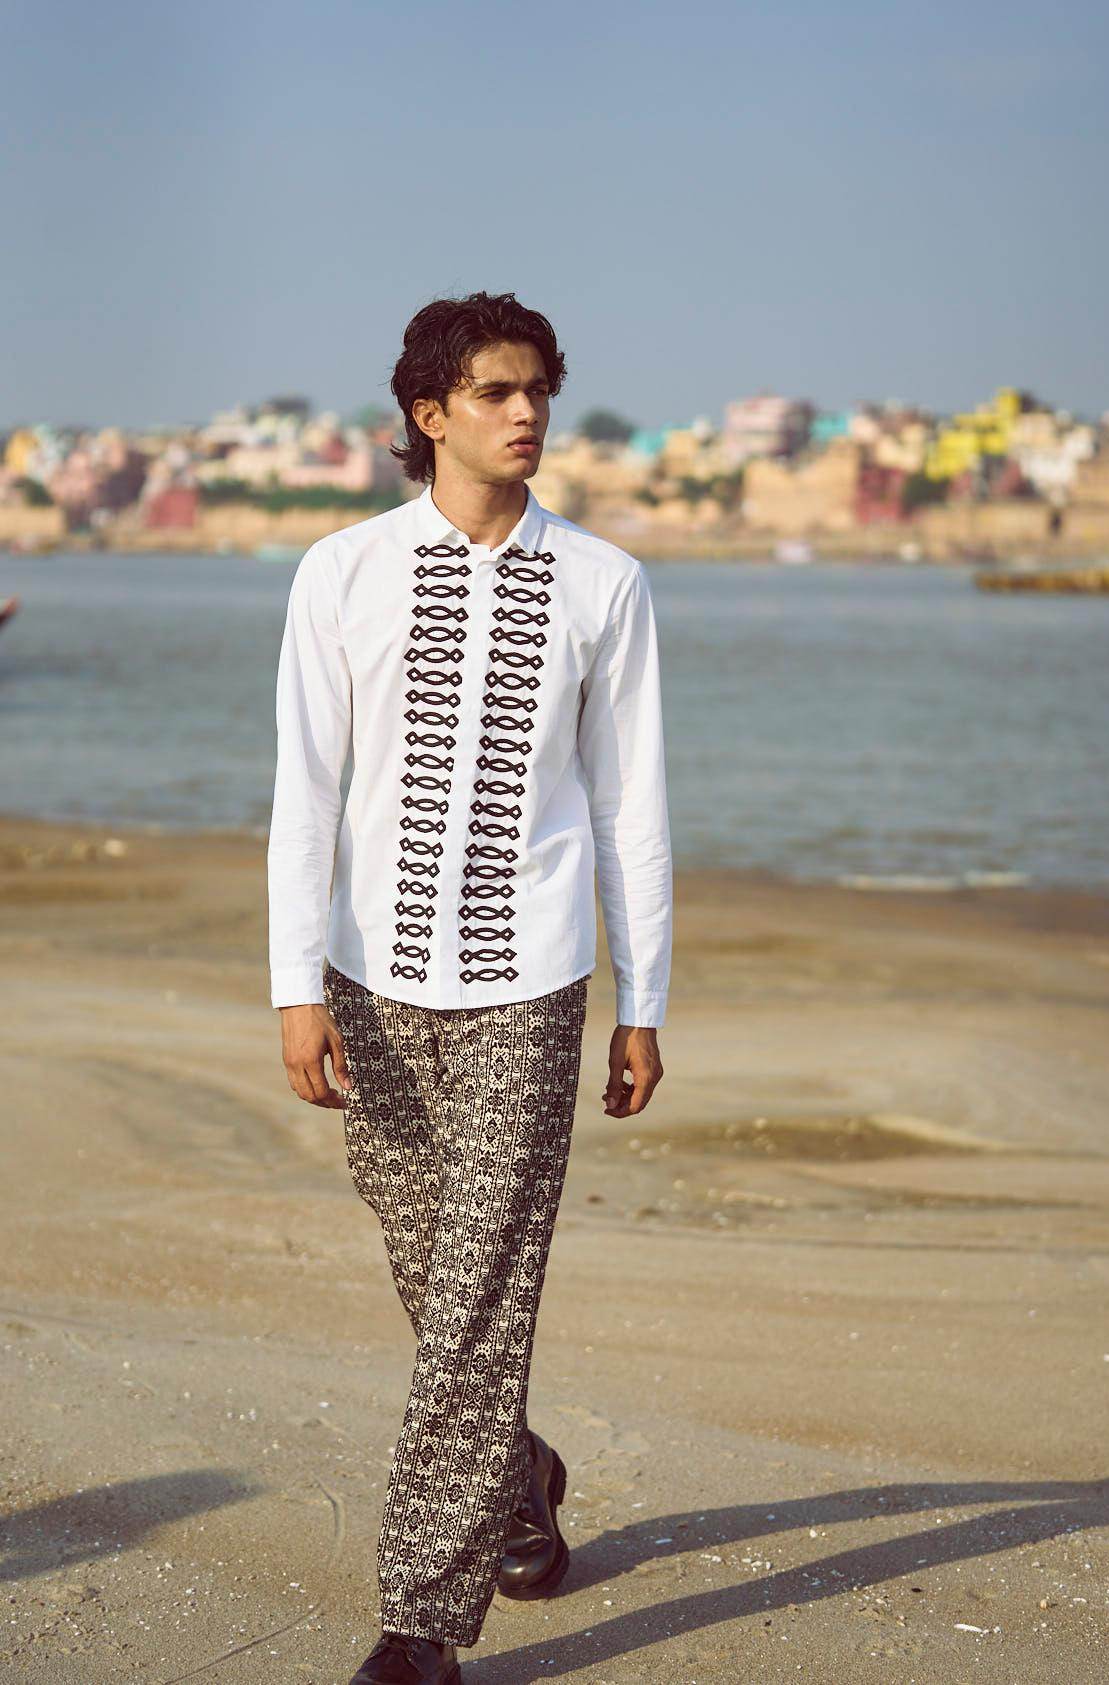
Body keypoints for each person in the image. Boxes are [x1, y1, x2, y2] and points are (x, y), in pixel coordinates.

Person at [267, 290, 673, 1684]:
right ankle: (521, 1471)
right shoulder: (341, 572)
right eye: (497, 391)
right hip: (368, 979)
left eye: (539, 389)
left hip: (531, 980)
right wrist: (294, 985)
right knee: (437, 1279)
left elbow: (631, 807)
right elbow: (305, 792)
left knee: (482, 1290)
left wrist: (642, 998)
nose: (527, 412)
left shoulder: (605, 583)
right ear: (428, 413)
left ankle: (422, 1623)